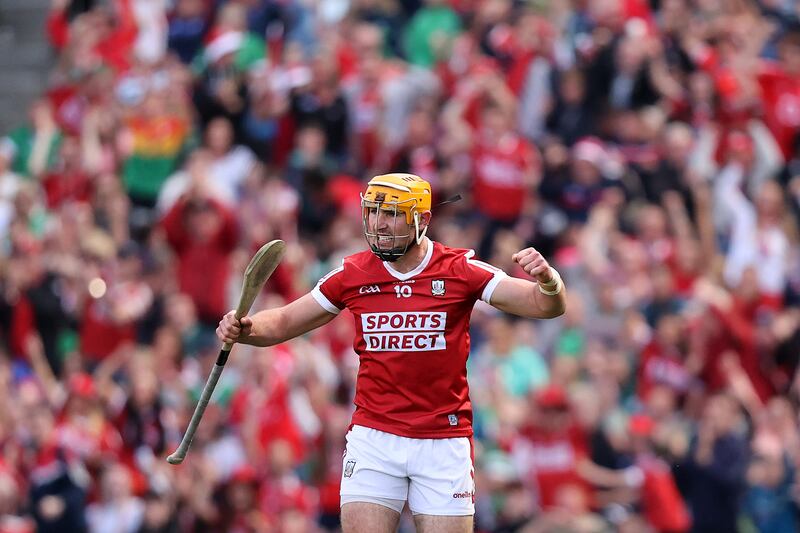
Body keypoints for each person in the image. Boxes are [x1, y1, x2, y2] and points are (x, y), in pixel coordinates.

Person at [216, 173, 567, 533]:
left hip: (442, 440)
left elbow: (545, 306)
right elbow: (285, 320)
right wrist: (246, 328)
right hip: (375, 436)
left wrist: (548, 280)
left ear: (423, 220)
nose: (380, 224)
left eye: (393, 214)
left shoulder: (461, 270)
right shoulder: (352, 274)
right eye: (373, 212)